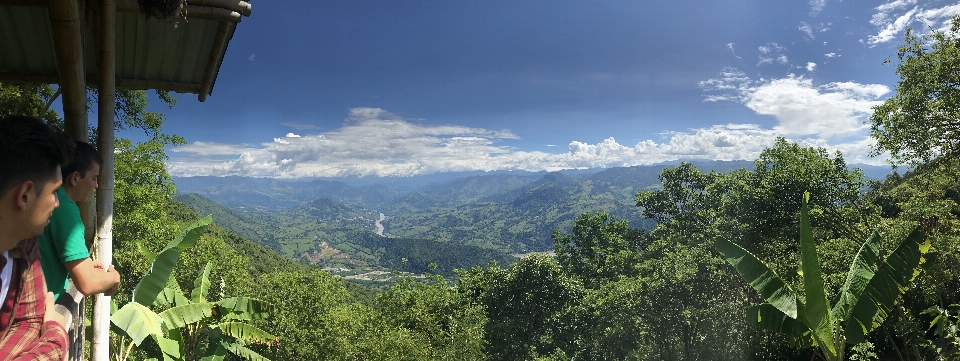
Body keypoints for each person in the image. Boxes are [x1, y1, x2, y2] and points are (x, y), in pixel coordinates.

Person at [0, 114, 74, 359]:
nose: (56, 203)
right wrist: (55, 336)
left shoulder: (23, 244)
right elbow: (40, 325)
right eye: (54, 192)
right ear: (25, 195)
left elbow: (29, 320)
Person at [39, 141, 120, 302]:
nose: (96, 185)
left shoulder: (47, 196)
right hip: (43, 307)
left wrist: (85, 266)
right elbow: (87, 284)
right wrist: (114, 278)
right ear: (75, 178)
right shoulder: (64, 207)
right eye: (94, 178)